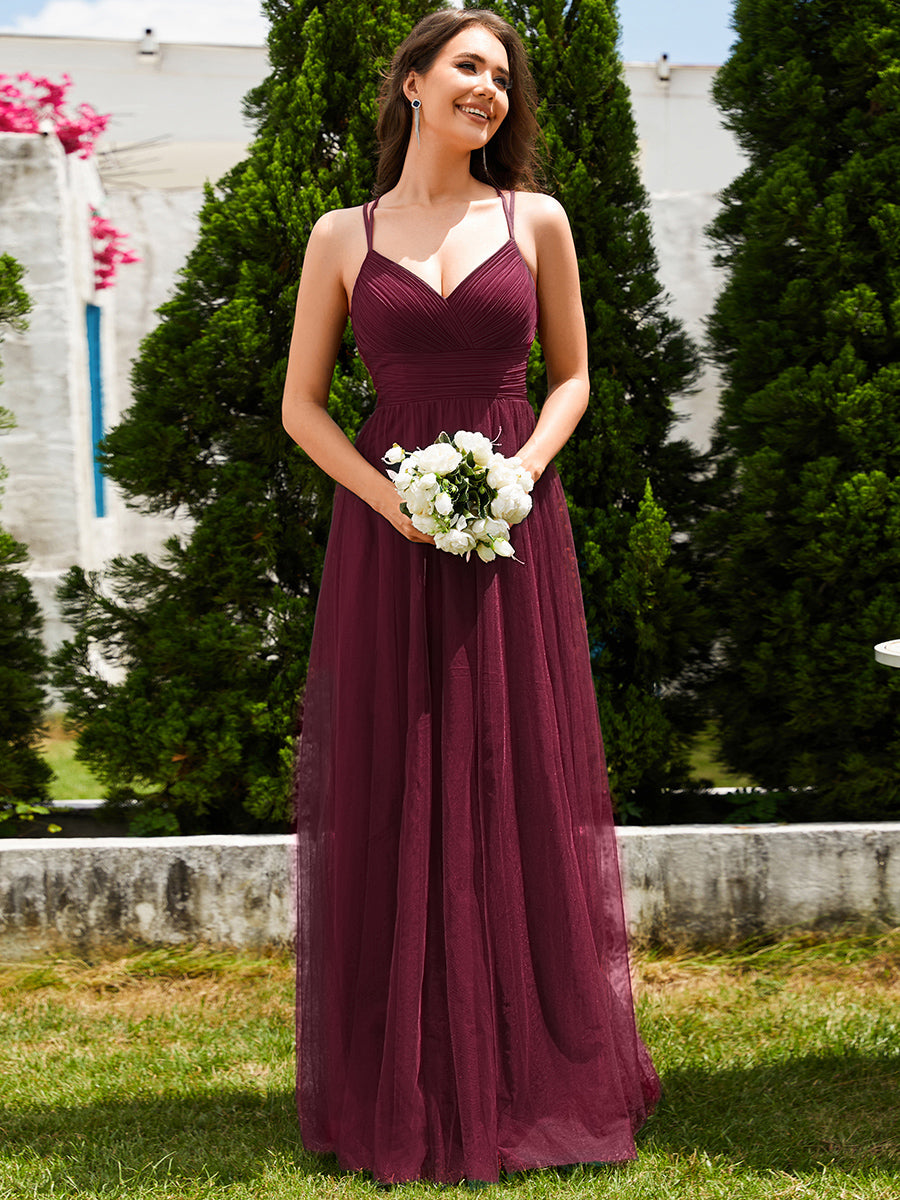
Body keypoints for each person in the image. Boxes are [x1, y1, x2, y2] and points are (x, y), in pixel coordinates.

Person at [282, 7, 660, 1186]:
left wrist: (518, 476)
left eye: (502, 74)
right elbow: (302, 407)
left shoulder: (534, 218)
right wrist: (390, 501)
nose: (489, 88)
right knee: (400, 772)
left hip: (512, 522)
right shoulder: (341, 235)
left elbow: (573, 376)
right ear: (410, 84)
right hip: (387, 531)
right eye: (467, 66)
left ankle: (529, 1068)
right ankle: (400, 1070)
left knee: (516, 772)